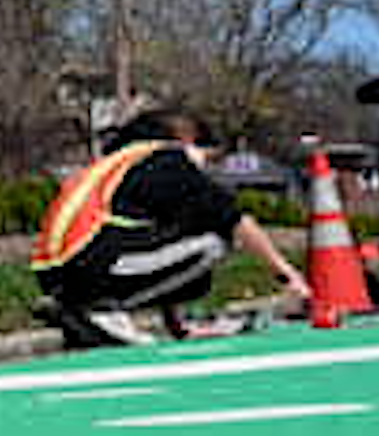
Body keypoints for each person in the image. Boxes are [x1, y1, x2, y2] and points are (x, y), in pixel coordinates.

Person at [29, 110, 308, 348]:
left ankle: (85, 306)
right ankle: (99, 310)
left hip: (58, 273)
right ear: (187, 142)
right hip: (91, 267)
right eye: (208, 159)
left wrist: (177, 327)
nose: (206, 169)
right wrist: (290, 277)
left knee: (186, 244)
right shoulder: (166, 159)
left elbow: (153, 242)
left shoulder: (117, 164)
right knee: (214, 241)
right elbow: (233, 219)